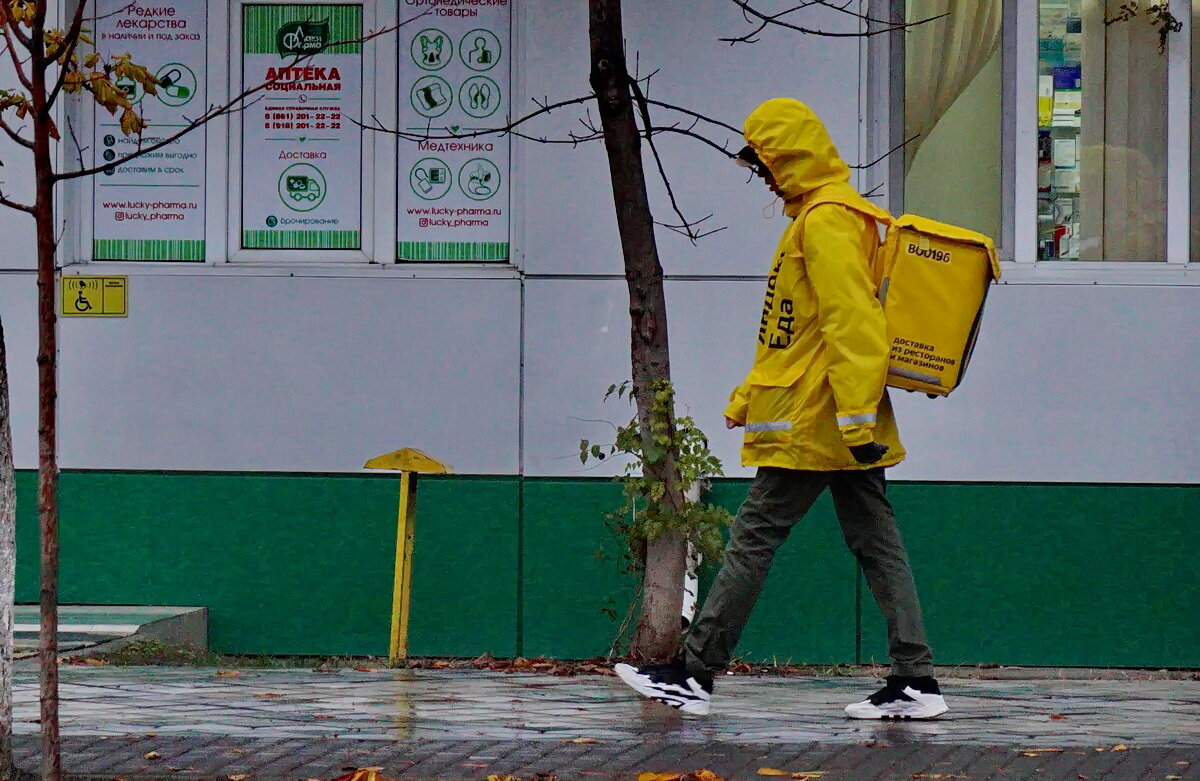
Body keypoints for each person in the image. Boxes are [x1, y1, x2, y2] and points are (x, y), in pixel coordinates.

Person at [614, 98, 947, 721]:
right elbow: (795, 333)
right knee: (877, 541)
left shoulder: (824, 222)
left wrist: (849, 415)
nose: (761, 177)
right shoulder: (828, 218)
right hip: (829, 409)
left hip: (819, 417)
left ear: (788, 158)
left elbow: (854, 321)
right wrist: (749, 397)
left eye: (764, 164)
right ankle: (916, 677)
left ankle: (694, 671)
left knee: (754, 536)